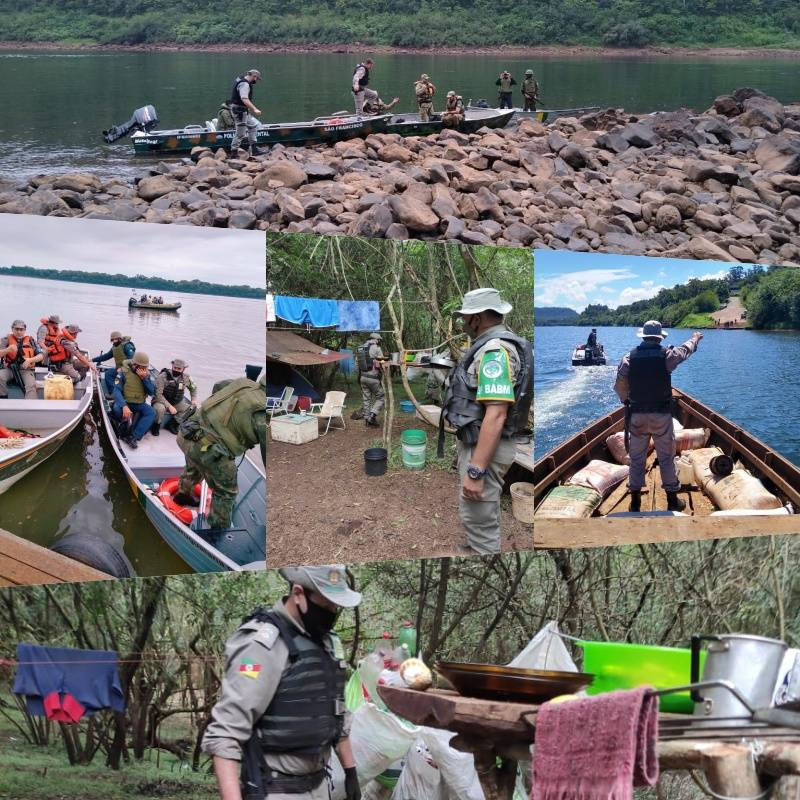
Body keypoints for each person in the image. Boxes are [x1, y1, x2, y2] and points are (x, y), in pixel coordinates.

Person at [202, 564, 362, 800]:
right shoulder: (261, 646)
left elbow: (338, 714)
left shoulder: (326, 643)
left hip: (320, 786)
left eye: (336, 606)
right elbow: (225, 734)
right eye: (326, 604)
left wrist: (351, 773)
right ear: (298, 594)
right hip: (277, 789)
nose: (333, 611)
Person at [441, 288, 533, 554]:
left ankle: (482, 552)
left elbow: (496, 413)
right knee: (478, 511)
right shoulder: (495, 345)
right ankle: (475, 546)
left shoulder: (494, 351)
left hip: (488, 447)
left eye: (465, 317)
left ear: (477, 318)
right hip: (480, 442)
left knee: (479, 515)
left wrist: (476, 469)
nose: (462, 323)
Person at [613, 321, 703, 512]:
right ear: (659, 337)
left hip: (637, 416)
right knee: (666, 457)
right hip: (661, 416)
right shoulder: (667, 356)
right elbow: (685, 351)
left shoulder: (629, 357)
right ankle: (672, 500)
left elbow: (619, 385)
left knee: (636, 458)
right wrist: (695, 339)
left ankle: (635, 501)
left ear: (643, 337)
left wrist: (627, 401)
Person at [175, 375, 267, 531]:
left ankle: (182, 494)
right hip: (210, 450)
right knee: (226, 493)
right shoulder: (264, 411)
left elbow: (218, 386)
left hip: (188, 433)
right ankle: (217, 531)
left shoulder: (244, 383)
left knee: (195, 465)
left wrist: (216, 417)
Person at [111, 351, 156, 450]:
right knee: (117, 410)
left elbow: (152, 392)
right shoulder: (123, 372)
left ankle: (133, 436)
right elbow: (116, 390)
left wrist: (144, 379)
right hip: (125, 402)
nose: (143, 369)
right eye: (141, 367)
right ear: (134, 364)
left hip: (139, 403)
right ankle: (121, 423)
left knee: (151, 412)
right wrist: (124, 406)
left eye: (145, 368)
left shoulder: (146, 375)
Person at [152, 358, 198, 436]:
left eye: (179, 369)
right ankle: (156, 425)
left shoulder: (186, 378)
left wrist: (193, 399)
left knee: (192, 408)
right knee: (160, 409)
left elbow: (193, 388)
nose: (176, 370)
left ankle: (173, 424)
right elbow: (158, 394)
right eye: (175, 368)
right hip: (161, 401)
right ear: (172, 366)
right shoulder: (162, 376)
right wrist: (169, 406)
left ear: (183, 369)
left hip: (176, 402)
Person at [0, 320, 43, 400]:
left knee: (31, 385)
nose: (19, 332)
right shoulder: (5, 340)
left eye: (21, 329)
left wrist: (30, 360)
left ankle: (30, 406)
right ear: (12, 329)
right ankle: (3, 400)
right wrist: (7, 350)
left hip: (26, 370)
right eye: (16, 329)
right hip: (9, 369)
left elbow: (41, 355)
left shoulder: (31, 340)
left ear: (24, 330)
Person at [229, 69, 265, 156]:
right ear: (254, 76)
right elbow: (244, 98)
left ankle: (254, 149)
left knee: (252, 126)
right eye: (256, 78)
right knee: (240, 133)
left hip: (242, 110)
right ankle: (234, 152)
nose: (256, 81)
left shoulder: (240, 78)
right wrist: (255, 109)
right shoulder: (244, 84)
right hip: (240, 111)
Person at [356, 332, 385, 428]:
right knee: (381, 397)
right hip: (373, 379)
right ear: (376, 340)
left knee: (366, 399)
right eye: (379, 340)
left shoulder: (360, 348)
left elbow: (358, 364)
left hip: (363, 378)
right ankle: (372, 415)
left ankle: (367, 419)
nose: (379, 342)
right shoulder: (376, 348)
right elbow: (382, 361)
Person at [93, 330, 136, 394]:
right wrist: (93, 360)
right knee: (108, 374)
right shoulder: (114, 347)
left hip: (128, 370)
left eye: (115, 339)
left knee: (119, 378)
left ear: (119, 339)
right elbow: (106, 356)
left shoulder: (127, 346)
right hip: (118, 369)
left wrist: (122, 369)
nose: (113, 341)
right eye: (112, 340)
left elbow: (133, 360)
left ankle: (121, 393)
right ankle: (113, 392)